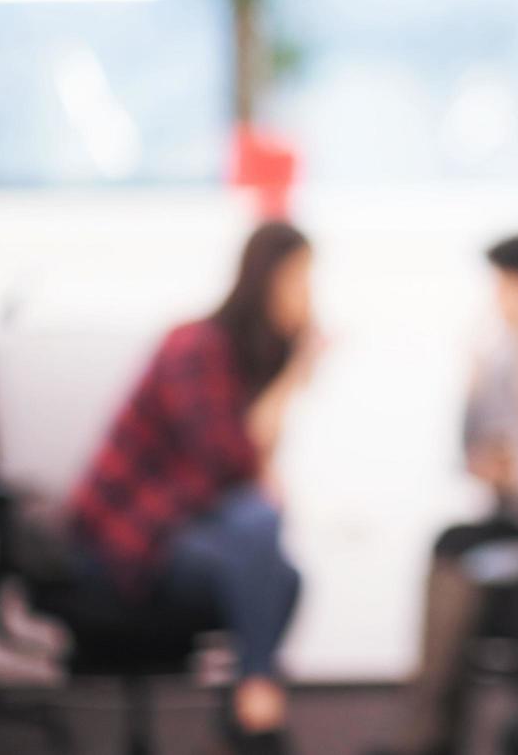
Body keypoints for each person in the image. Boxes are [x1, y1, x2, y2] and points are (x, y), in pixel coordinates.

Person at [66, 219, 323, 753]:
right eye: (300, 282)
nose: (308, 298)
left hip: (188, 527)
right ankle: (254, 699)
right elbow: (233, 464)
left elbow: (250, 476)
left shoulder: (242, 356)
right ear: (268, 279)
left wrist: (288, 370)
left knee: (286, 576)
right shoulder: (196, 346)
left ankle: (249, 695)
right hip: (127, 539)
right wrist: (295, 372)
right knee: (262, 529)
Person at [378, 232, 518, 755]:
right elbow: (471, 454)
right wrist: (472, 384)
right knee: (452, 541)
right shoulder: (501, 364)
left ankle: (430, 731)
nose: (498, 300)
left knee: (464, 555)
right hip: (516, 521)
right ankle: (432, 723)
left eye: (506, 285)